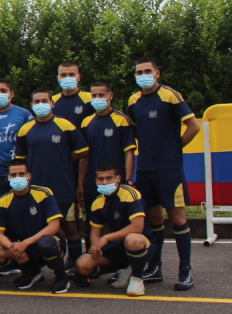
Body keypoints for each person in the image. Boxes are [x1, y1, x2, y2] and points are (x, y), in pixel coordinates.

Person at [128, 58, 200, 290]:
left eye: (147, 71)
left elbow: (194, 127)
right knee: (154, 219)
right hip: (145, 169)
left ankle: (185, 272)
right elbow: (136, 132)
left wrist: (174, 149)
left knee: (178, 219)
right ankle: (155, 268)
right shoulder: (133, 100)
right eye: (139, 72)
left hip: (169, 169)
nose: (143, 75)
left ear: (157, 73)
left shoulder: (170, 95)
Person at [14, 87, 88, 269]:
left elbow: (83, 150)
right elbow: (21, 159)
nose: (41, 105)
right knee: (38, 228)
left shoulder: (65, 125)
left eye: (44, 101)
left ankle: (75, 263)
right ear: (31, 105)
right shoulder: (25, 130)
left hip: (63, 187)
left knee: (70, 227)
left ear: (52, 104)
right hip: (36, 190)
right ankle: (36, 267)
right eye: (37, 102)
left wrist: (64, 159)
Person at [0, 161, 70, 293]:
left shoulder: (43, 193)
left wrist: (25, 243)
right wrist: (14, 248)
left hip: (44, 243)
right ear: (8, 177)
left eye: (22, 174)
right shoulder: (3, 201)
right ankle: (31, 271)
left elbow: (54, 226)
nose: (17, 178)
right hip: (21, 247)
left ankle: (61, 277)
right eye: (13, 175)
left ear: (29, 176)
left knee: (46, 243)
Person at [75, 161, 151, 295]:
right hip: (116, 246)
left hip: (141, 243)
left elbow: (137, 227)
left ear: (118, 178)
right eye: (101, 179)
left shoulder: (130, 193)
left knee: (133, 239)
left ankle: (137, 278)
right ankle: (123, 269)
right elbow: (95, 233)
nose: (105, 182)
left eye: (109, 178)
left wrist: (106, 238)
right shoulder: (97, 202)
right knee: (82, 265)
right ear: (96, 180)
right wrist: (96, 247)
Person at [78, 80, 135, 222]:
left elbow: (129, 153)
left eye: (101, 95)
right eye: (94, 95)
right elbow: (84, 156)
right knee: (91, 223)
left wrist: (128, 181)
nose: (97, 98)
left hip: (116, 182)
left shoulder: (122, 120)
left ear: (110, 95)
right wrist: (81, 183)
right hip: (92, 183)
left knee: (119, 222)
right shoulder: (86, 122)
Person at [0, 79, 33, 202]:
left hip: (20, 173)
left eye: (3, 90)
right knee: (0, 209)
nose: (0, 94)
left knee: (23, 207)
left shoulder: (24, 114)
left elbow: (32, 145)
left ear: (12, 93)